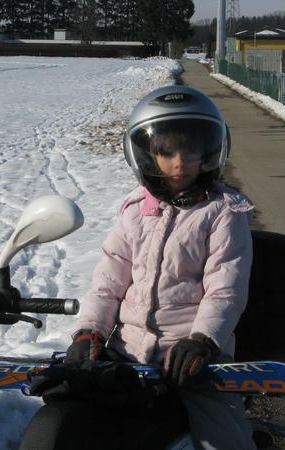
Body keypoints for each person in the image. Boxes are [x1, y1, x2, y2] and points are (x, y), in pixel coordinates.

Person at [27, 85, 256, 450]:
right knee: (69, 414)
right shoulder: (136, 210)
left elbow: (226, 287)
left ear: (210, 150)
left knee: (224, 440)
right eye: (166, 151)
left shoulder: (223, 211)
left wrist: (202, 340)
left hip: (193, 358)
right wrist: (90, 331)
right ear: (147, 154)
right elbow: (108, 282)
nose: (179, 161)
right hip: (128, 351)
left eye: (190, 150)